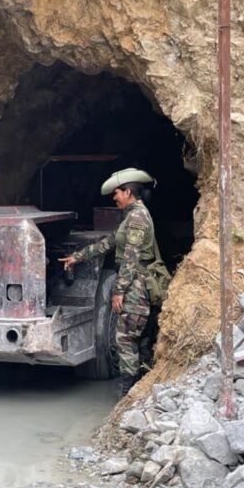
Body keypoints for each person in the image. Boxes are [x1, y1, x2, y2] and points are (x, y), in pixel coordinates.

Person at [59, 168, 160, 396]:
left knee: (124, 337)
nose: (114, 198)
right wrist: (78, 256)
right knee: (135, 336)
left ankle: (128, 392)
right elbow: (109, 242)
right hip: (134, 283)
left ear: (128, 192)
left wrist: (119, 290)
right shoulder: (130, 217)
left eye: (116, 193)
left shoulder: (137, 218)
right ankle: (137, 386)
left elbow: (130, 259)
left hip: (137, 285)